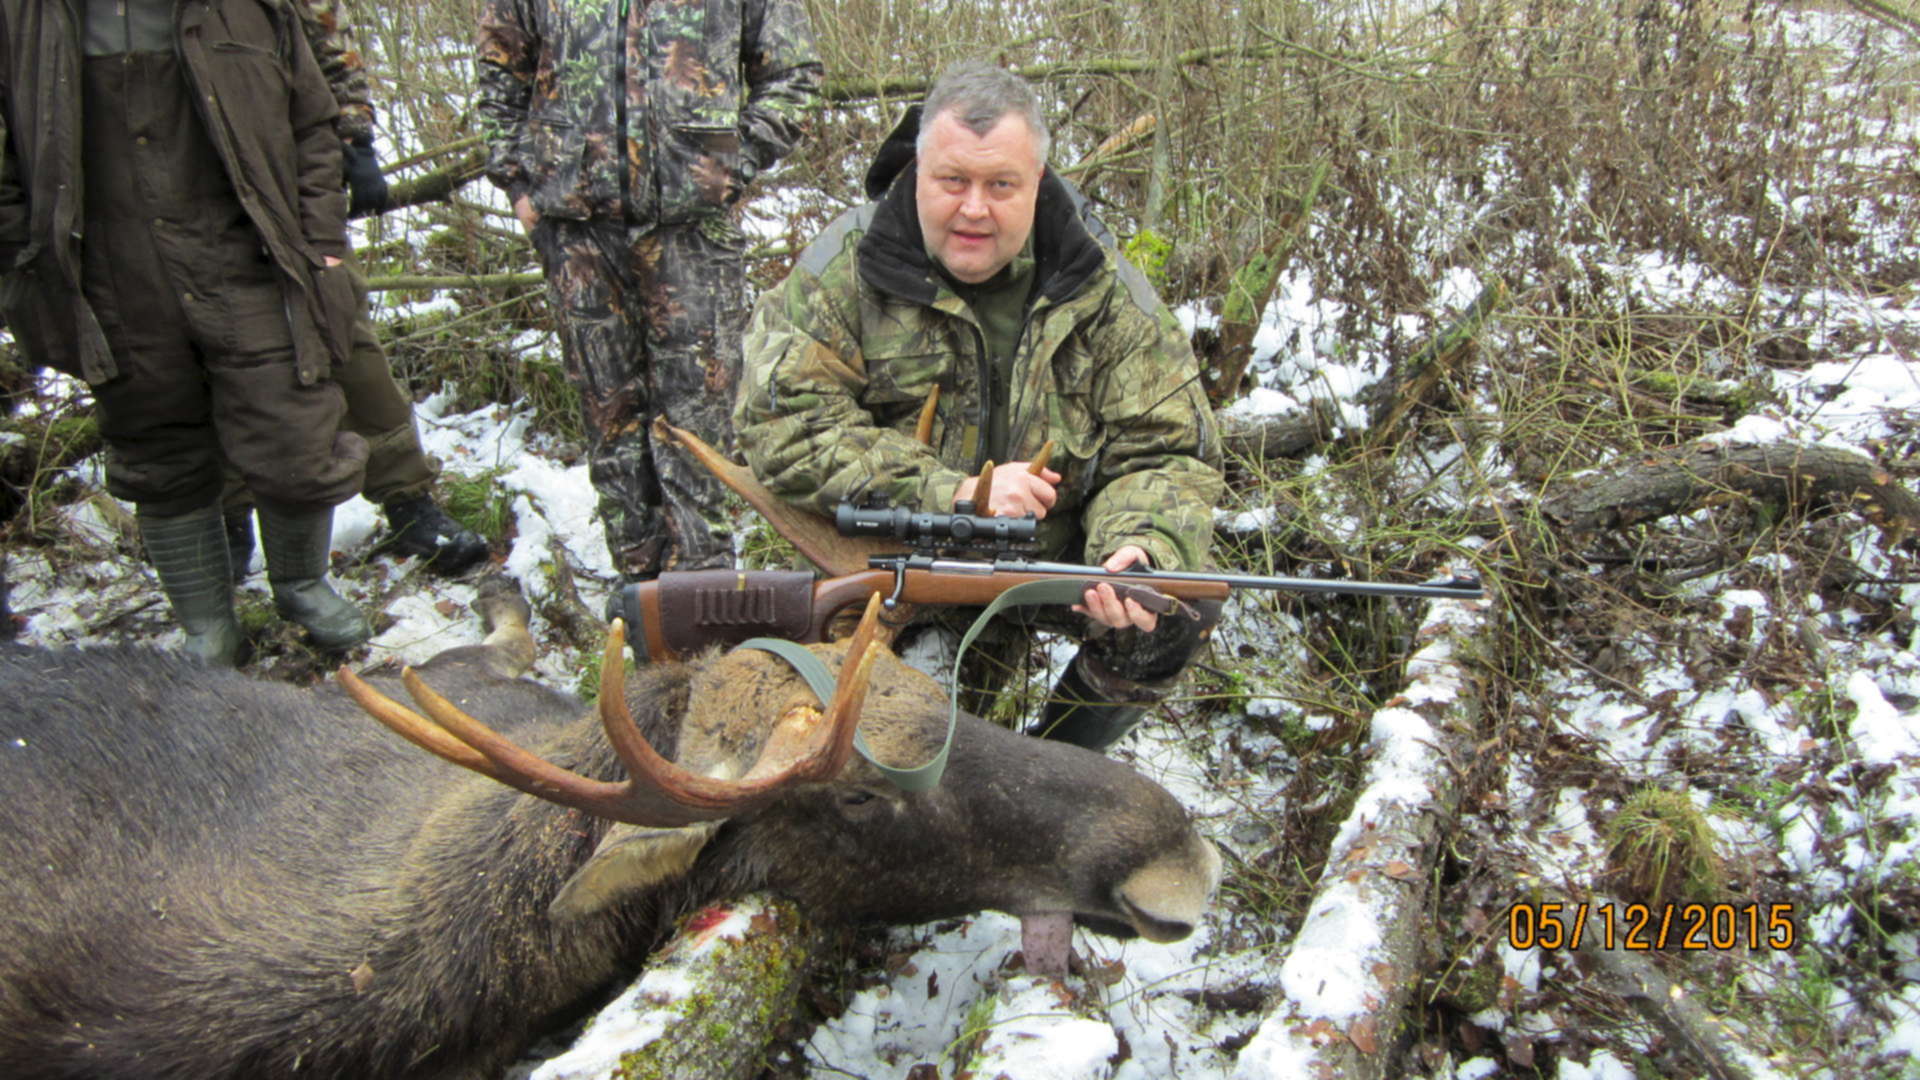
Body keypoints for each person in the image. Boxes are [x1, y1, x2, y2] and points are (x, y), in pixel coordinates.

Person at [734, 61, 1225, 752]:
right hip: (906, 563)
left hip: (1059, 566)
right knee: (910, 748)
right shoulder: (847, 267)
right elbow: (781, 422)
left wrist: (1136, 547)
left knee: (1177, 611)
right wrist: (954, 492)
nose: (974, 208)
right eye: (953, 181)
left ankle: (1057, 772)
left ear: (1039, 184)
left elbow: (1168, 447)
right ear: (917, 170)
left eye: (1001, 186)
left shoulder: (1103, 289)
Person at [0, 0, 372, 663]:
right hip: (111, 269)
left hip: (252, 258)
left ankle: (302, 585)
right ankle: (208, 625)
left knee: (294, 425)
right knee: (156, 444)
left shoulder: (252, 8)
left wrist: (322, 240)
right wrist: (19, 251)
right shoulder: (26, 18)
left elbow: (314, 123)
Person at [476, 0, 822, 580]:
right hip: (577, 230)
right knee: (609, 416)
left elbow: (795, 74)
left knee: (698, 418)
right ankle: (637, 590)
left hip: (693, 230)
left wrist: (731, 162)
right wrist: (521, 183)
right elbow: (498, 72)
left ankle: (702, 588)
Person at [217, 0, 490, 580]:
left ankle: (407, 499)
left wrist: (358, 143)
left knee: (344, 338)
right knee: (206, 356)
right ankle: (225, 514)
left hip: (289, 179)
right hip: (168, 204)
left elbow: (329, 51)